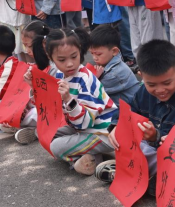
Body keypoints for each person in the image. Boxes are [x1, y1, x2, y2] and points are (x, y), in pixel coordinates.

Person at [97, 39, 175, 207]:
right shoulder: (143, 91)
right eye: (151, 84)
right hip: (157, 151)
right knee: (129, 145)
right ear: (141, 76)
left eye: (167, 83)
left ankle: (148, 180)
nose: (160, 90)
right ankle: (139, 177)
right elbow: (129, 111)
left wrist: (156, 136)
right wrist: (117, 126)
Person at [26, 28, 118, 175]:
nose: (69, 64)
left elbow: (86, 122)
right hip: (80, 128)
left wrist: (69, 99)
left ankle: (86, 160)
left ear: (79, 50)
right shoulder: (58, 74)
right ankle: (91, 156)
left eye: (74, 56)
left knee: (56, 146)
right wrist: (34, 87)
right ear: (50, 56)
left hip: (102, 133)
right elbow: (48, 108)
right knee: (43, 133)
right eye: (62, 60)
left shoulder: (85, 79)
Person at [87, 23, 140, 122]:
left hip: (129, 113)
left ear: (114, 51)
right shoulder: (110, 61)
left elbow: (93, 93)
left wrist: (95, 78)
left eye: (98, 54)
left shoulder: (114, 74)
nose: (94, 58)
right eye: (92, 53)